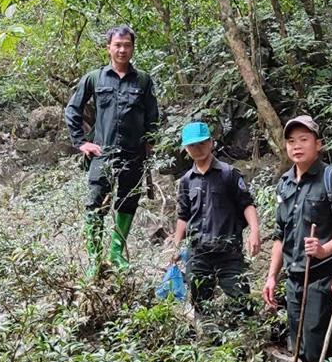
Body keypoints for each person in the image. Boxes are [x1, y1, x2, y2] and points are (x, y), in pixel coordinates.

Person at [263, 115, 332, 362]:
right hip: (294, 278)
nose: (296, 146)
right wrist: (272, 276)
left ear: (318, 143)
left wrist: (326, 249)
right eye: (291, 141)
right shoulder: (284, 183)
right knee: (299, 349)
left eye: (304, 139)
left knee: (322, 346)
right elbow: (279, 236)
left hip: (324, 278)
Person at [64, 25, 160, 277]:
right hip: (102, 154)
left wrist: (150, 144)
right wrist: (81, 142)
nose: (122, 50)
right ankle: (94, 259)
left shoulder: (143, 80)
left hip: (134, 154)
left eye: (127, 45)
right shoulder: (95, 78)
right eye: (118, 45)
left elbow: (153, 116)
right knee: (95, 204)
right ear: (109, 47)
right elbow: (72, 110)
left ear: (132, 48)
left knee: (128, 202)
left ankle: (116, 253)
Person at [169, 122, 260, 321]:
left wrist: (254, 232)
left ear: (211, 143)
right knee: (201, 306)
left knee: (241, 302)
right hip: (198, 253)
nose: (197, 149)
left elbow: (247, 204)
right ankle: (211, 342)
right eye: (192, 145)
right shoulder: (186, 180)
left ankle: (246, 343)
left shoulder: (228, 174)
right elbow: (183, 215)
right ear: (186, 149)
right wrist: (176, 246)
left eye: (202, 143)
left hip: (228, 252)